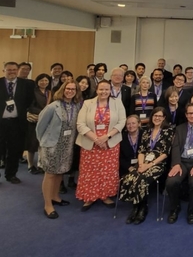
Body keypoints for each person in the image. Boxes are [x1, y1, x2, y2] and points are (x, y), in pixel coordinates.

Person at [76, 80, 126, 211]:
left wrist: (106, 137)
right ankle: (89, 197)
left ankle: (105, 196)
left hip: (110, 143)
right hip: (90, 142)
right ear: (96, 90)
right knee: (90, 171)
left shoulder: (117, 103)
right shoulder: (88, 103)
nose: (104, 92)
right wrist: (96, 139)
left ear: (110, 91)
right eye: (101, 89)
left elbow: (122, 122)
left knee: (108, 171)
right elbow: (80, 124)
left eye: (107, 90)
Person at [119, 107, 174, 225]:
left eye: (160, 116)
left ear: (164, 118)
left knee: (141, 179)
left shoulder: (168, 131)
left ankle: (142, 208)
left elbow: (165, 153)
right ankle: (136, 207)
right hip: (143, 163)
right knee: (130, 177)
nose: (157, 118)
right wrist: (141, 165)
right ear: (151, 117)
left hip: (158, 164)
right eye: (155, 116)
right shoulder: (146, 131)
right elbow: (141, 151)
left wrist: (149, 165)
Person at [36, 81, 82, 219]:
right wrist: (43, 143)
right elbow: (40, 126)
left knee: (60, 171)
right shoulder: (52, 106)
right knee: (50, 174)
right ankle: (47, 204)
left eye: (73, 89)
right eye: (68, 88)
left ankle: (55, 196)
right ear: (63, 89)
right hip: (51, 145)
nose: (70, 91)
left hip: (67, 146)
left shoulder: (76, 106)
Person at [0, 62, 34, 183]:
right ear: (4, 71)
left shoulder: (26, 85)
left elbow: (30, 101)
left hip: (17, 122)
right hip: (1, 122)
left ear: (17, 70)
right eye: (9, 70)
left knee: (14, 150)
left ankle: (11, 175)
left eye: (14, 70)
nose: (12, 72)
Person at [25, 74, 52, 174]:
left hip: (46, 121)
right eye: (41, 80)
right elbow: (30, 105)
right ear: (37, 81)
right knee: (32, 143)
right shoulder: (33, 92)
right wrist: (41, 113)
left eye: (46, 80)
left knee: (43, 143)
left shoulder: (49, 93)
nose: (44, 82)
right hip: (35, 119)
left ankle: (40, 164)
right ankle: (30, 165)